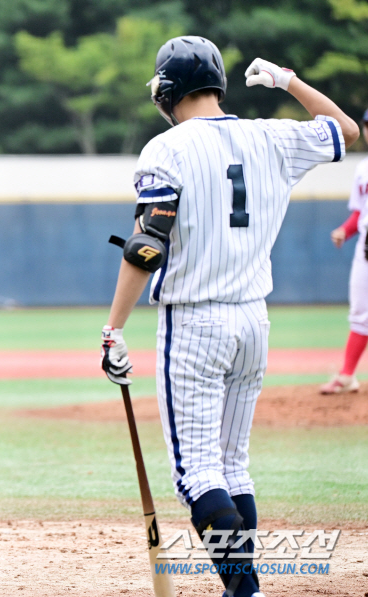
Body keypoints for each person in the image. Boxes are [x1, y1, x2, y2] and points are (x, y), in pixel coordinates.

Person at [100, 37, 358, 597]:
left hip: (194, 323)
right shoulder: (275, 136)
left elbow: (147, 245)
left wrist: (113, 327)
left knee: (196, 473)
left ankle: (245, 592)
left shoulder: (165, 148)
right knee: (232, 465)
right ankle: (246, 587)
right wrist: (289, 81)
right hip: (253, 322)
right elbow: (347, 130)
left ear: (167, 92)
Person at [320, 109, 368, 394]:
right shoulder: (363, 168)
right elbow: (359, 214)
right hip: (366, 247)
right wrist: (345, 231)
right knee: (361, 313)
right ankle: (347, 375)